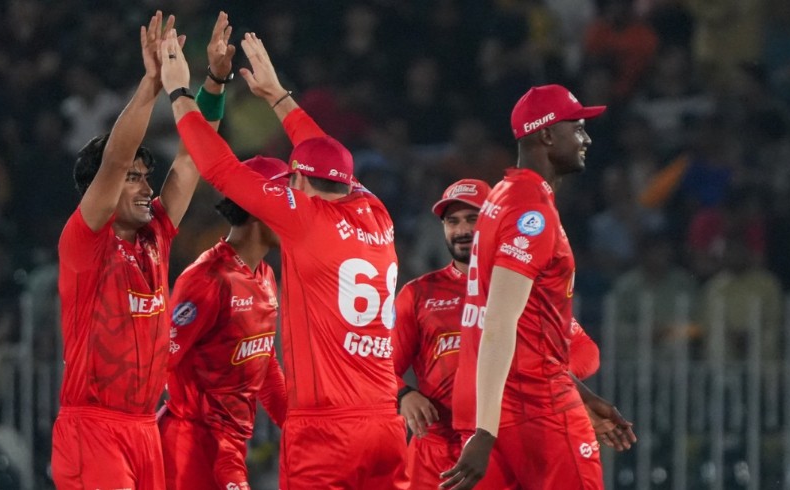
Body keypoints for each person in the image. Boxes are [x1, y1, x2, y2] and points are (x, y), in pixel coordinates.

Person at [158, 23, 408, 489]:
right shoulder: (377, 212)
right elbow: (329, 156)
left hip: (327, 428)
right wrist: (278, 96)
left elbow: (218, 167)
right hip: (385, 425)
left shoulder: (305, 217)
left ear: (297, 182)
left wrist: (178, 92)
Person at [442, 85, 637, 490]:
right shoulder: (530, 210)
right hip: (536, 406)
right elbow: (499, 322)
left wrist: (581, 395)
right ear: (546, 134)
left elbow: (522, 324)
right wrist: (486, 432)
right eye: (577, 128)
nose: (586, 139)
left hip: (496, 400)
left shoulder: (502, 195)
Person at [50, 12, 204, 489]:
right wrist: (151, 85)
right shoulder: (84, 241)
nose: (145, 188)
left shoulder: (156, 236)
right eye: (132, 179)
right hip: (92, 427)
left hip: (143, 427)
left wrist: (212, 85)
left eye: (146, 178)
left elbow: (193, 158)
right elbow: (115, 159)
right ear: (100, 190)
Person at [395, 179, 606, 488]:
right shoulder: (418, 294)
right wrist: (404, 394)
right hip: (436, 449)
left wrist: (541, 381)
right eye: (452, 221)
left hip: (504, 441)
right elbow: (382, 365)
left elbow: (586, 350)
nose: (462, 230)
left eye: (472, 219)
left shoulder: (517, 284)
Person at [160, 155, 289, 490]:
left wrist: (297, 428)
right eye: (286, 203)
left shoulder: (265, 276)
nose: (295, 215)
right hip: (189, 447)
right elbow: (159, 362)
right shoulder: (207, 278)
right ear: (258, 207)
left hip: (229, 447)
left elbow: (264, 364)